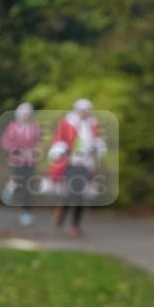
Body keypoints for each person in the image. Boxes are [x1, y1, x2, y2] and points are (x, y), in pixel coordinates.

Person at [46, 98, 106, 237]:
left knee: (80, 195)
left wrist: (98, 148)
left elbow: (97, 142)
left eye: (86, 111)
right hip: (70, 164)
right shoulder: (67, 123)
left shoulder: (93, 125)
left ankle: (75, 225)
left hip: (86, 165)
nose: (84, 113)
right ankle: (62, 209)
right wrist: (60, 151)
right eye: (82, 110)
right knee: (71, 192)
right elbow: (60, 141)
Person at [0, 102, 41, 226]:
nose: (26, 116)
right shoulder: (12, 127)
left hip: (30, 162)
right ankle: (11, 186)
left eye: (28, 114)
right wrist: (17, 150)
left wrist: (33, 152)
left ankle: (26, 212)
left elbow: (38, 144)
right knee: (19, 183)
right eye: (25, 114)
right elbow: (5, 143)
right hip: (16, 162)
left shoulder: (34, 128)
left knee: (28, 187)